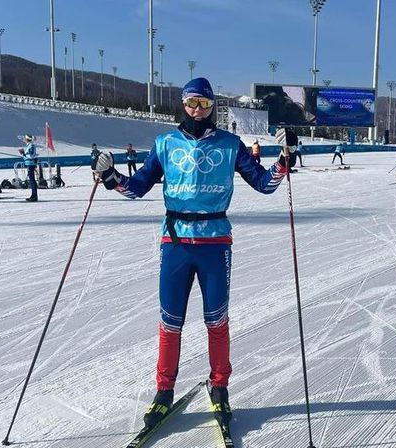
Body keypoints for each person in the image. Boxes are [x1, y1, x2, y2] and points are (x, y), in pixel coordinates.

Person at [92, 77, 293, 427]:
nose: (197, 110)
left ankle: (220, 388)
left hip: (215, 242)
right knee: (170, 321)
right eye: (191, 103)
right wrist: (110, 177)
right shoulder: (165, 143)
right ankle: (163, 393)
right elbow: (137, 187)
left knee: (216, 320)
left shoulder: (230, 144)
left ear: (213, 106)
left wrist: (284, 160)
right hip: (176, 241)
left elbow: (264, 185)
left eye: (204, 104)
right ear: (182, 105)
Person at [18, 134, 39, 202]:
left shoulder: (31, 146)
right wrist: (23, 154)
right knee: (31, 180)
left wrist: (24, 154)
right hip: (29, 164)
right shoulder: (29, 146)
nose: (24, 140)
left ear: (27, 139)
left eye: (25, 139)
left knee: (32, 181)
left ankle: (34, 196)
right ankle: (33, 195)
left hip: (31, 164)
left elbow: (31, 156)